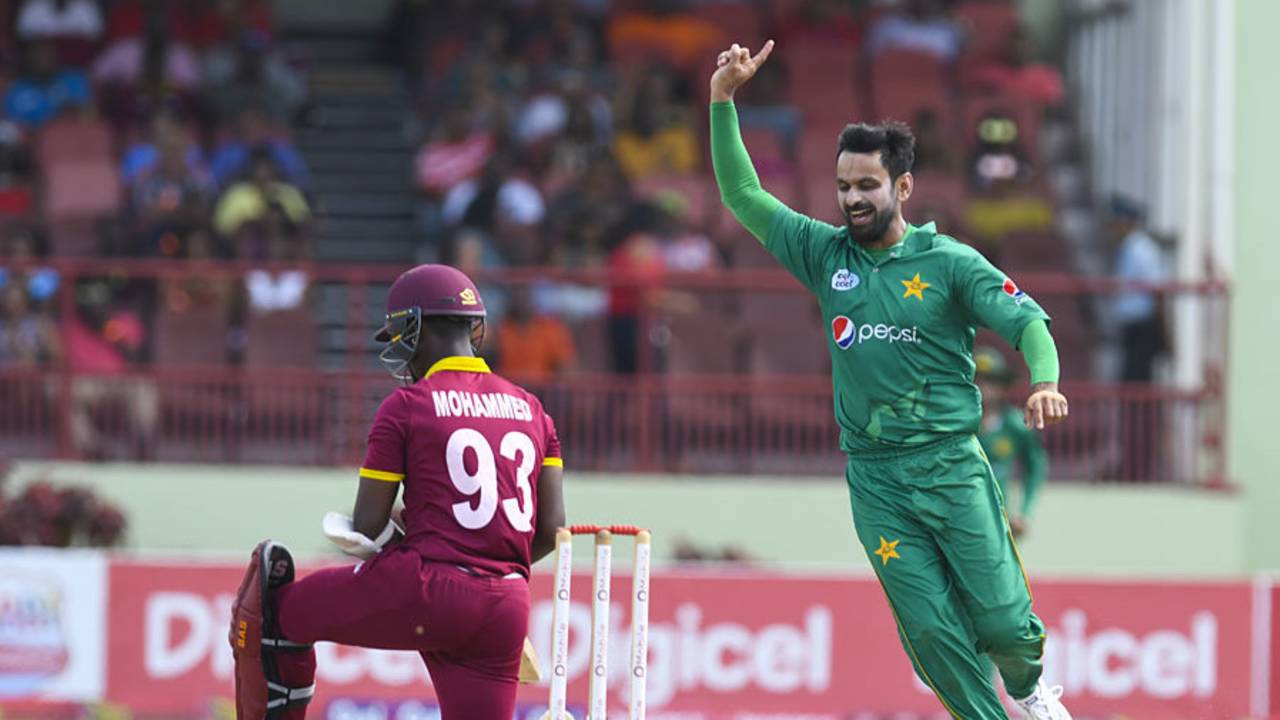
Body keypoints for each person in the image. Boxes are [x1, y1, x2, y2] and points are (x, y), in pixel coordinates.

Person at [709, 41, 1072, 720]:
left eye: (867, 186)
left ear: (902, 187)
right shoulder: (824, 255)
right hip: (876, 480)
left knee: (1002, 629)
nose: (852, 199)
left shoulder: (948, 262)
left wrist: (1043, 380)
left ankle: (1027, 688)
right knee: (932, 637)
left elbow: (1028, 323)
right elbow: (742, 194)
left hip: (951, 466)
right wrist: (723, 100)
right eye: (843, 186)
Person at [229, 264, 565, 719]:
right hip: (506, 605)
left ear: (418, 329)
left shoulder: (407, 406)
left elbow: (367, 524)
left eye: (401, 335)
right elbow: (549, 532)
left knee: (272, 613)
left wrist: (421, 546)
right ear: (474, 328)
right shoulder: (533, 409)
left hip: (429, 588)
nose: (401, 352)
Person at [974, 347, 1047, 539]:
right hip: (956, 516)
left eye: (990, 381)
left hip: (998, 518)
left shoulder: (1015, 425)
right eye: (977, 380)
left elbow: (1035, 467)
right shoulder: (952, 423)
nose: (983, 387)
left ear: (1001, 386)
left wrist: (1024, 512)